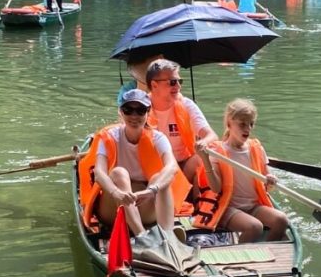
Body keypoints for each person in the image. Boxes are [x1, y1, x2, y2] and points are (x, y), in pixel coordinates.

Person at [79, 89, 183, 238]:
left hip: (144, 205)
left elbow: (172, 167)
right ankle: (142, 236)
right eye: (128, 110)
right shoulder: (108, 137)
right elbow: (99, 174)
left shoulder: (158, 138)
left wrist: (151, 190)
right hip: (113, 208)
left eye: (140, 110)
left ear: (148, 113)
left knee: (160, 177)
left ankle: (168, 237)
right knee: (118, 173)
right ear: (121, 112)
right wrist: (118, 194)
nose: (134, 116)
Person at [196, 99, 288, 242]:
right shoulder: (217, 151)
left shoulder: (256, 148)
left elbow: (267, 185)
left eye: (251, 124)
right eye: (242, 124)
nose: (248, 129)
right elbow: (216, 188)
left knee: (281, 220)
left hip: (253, 206)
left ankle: (266, 249)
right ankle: (241, 254)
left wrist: (270, 179)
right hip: (228, 208)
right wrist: (206, 160)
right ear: (229, 124)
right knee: (254, 227)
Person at [145, 59, 218, 187]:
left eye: (180, 81)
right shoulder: (140, 108)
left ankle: (200, 203)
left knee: (203, 158)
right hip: (154, 168)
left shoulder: (186, 104)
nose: (178, 86)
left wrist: (204, 142)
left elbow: (211, 135)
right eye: (173, 82)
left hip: (184, 166)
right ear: (154, 85)